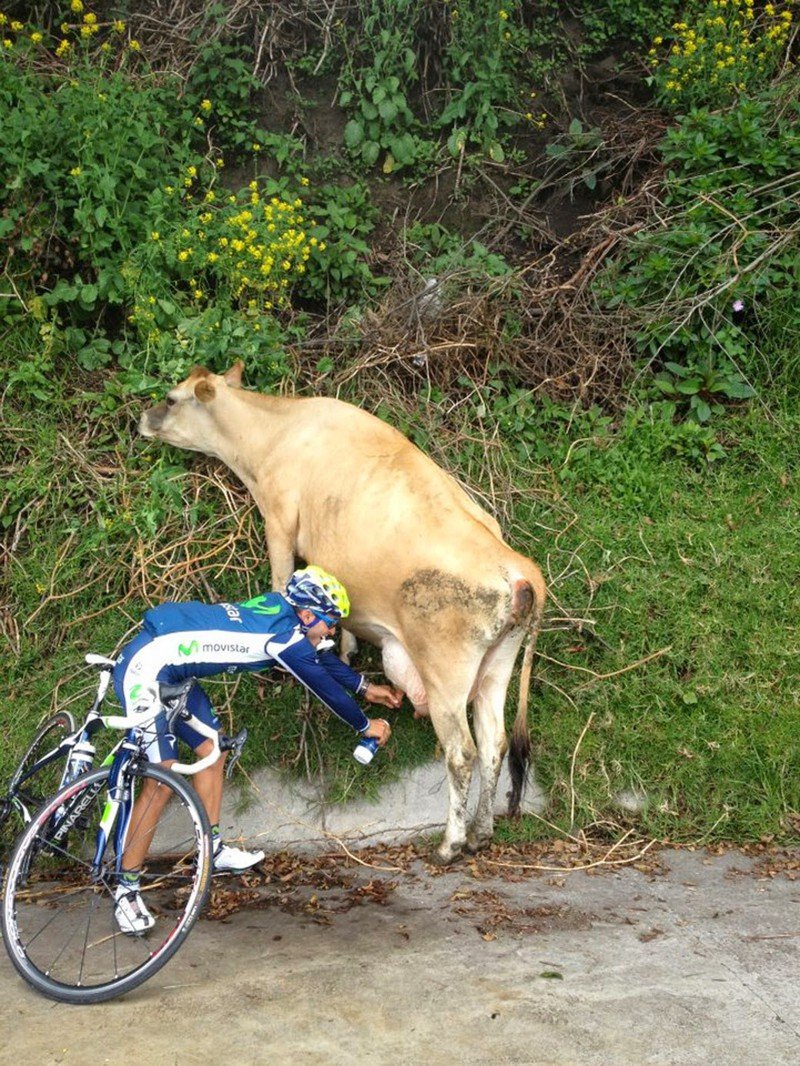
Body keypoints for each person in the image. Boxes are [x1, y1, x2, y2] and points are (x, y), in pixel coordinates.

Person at [111, 565, 402, 935]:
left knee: (213, 748)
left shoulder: (283, 608)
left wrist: (364, 687)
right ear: (308, 614)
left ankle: (211, 849)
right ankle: (126, 889)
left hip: (176, 671)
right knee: (162, 776)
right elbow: (322, 686)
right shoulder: (282, 637)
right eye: (330, 622)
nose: (332, 631)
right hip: (148, 667)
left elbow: (318, 657)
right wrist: (365, 725)